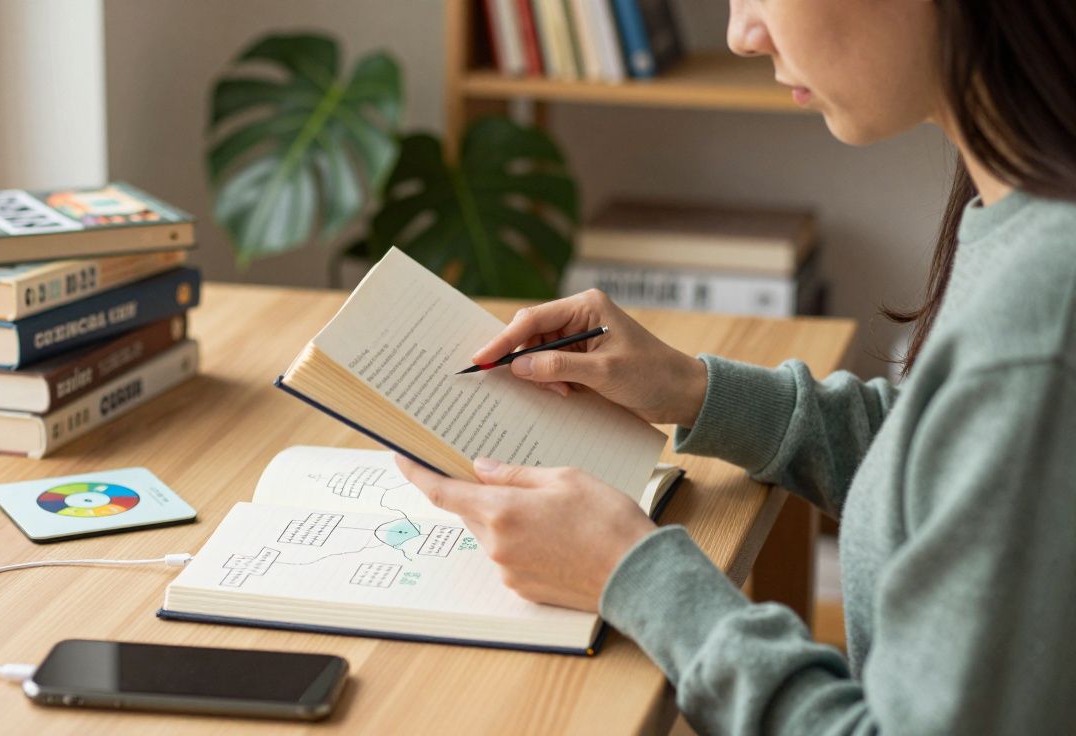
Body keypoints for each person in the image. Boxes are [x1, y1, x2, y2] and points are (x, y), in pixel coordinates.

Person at [395, 0, 1076, 732]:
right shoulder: (1027, 221)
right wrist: (694, 390)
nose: (740, 35)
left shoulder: (1038, 319)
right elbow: (952, 464)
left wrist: (632, 572)